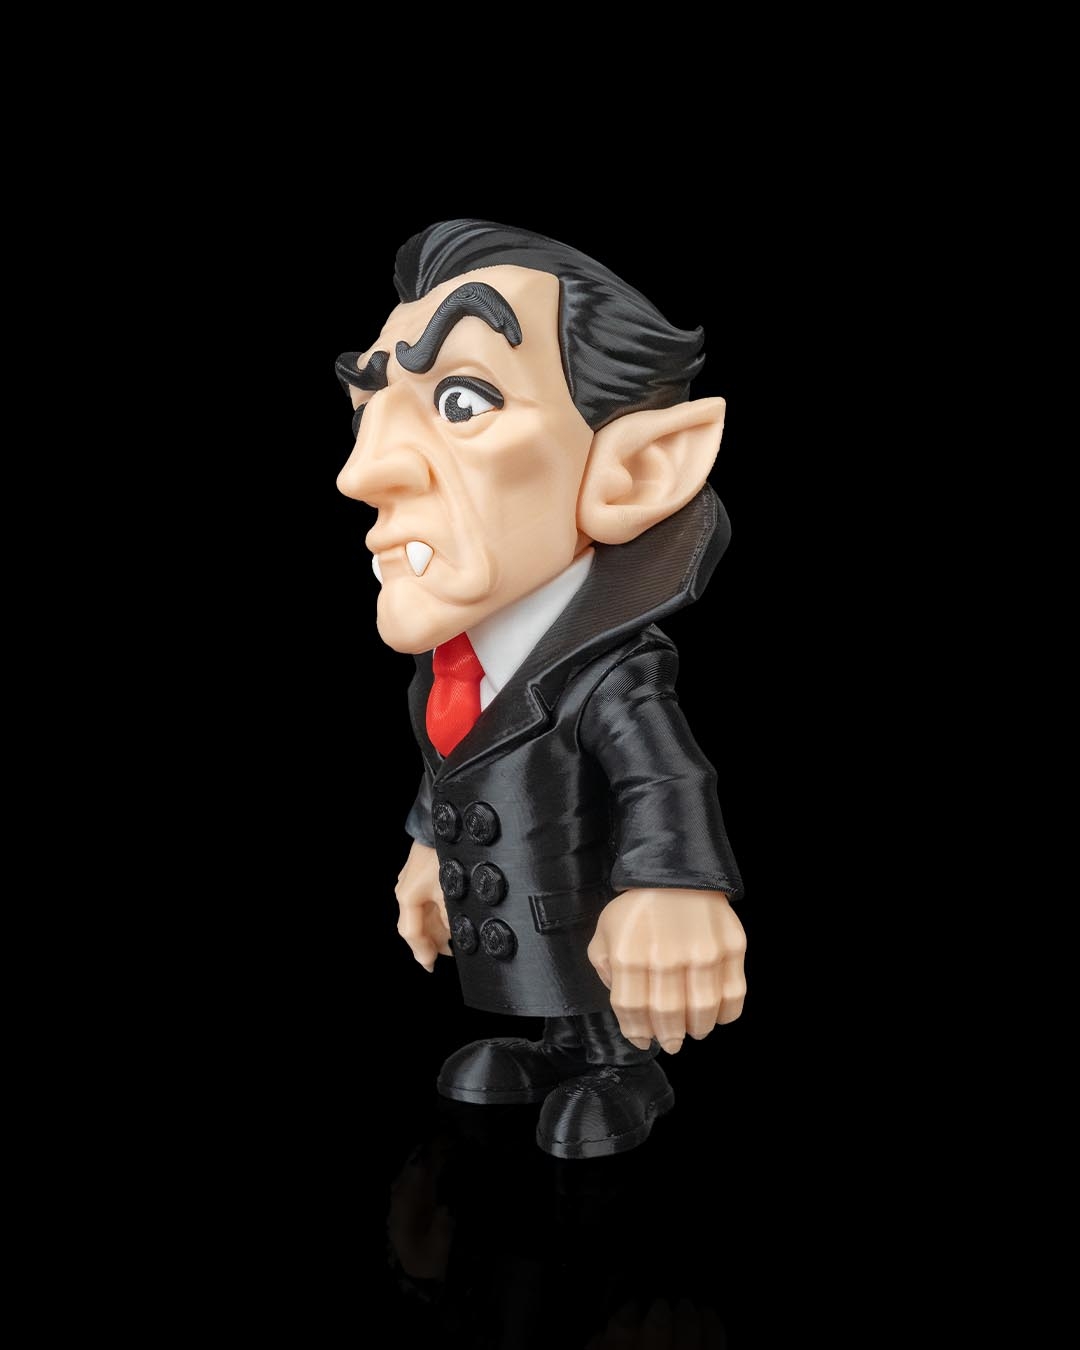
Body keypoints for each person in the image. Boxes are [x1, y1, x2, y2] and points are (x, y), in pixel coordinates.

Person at [335, 220, 747, 1158]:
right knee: (548, 983)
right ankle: (565, 1047)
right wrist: (425, 850)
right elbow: (450, 764)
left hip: (585, 910)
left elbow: (665, 777)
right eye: (368, 410)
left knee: (592, 975)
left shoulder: (613, 673)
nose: (362, 472)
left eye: (462, 401)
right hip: (524, 912)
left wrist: (675, 887)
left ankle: (624, 1067)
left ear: (637, 471)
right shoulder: (452, 663)